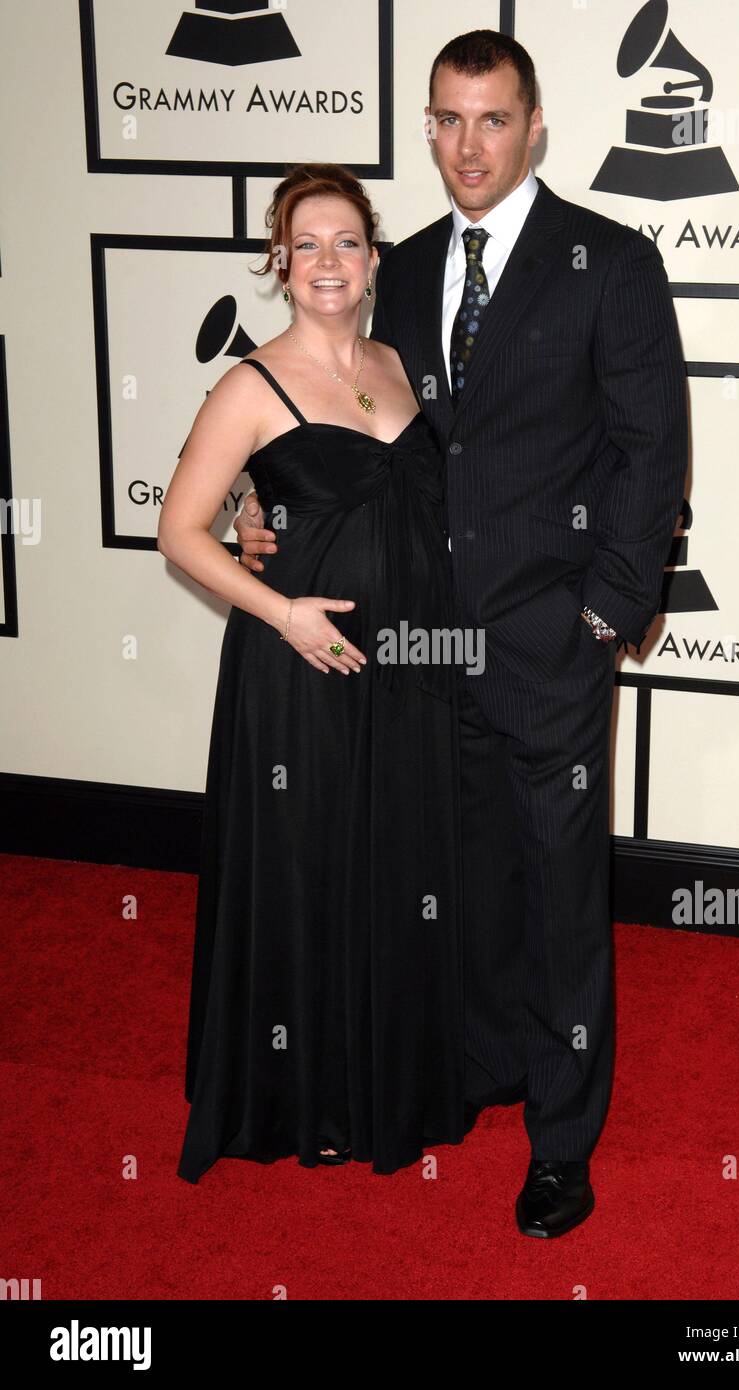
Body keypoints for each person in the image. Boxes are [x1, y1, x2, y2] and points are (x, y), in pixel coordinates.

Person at [236, 31, 689, 1237]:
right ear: (426, 129)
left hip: (549, 646)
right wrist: (255, 501)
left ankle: (560, 1140)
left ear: (533, 125)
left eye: (493, 120)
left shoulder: (610, 260)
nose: (469, 144)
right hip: (426, 659)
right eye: (447, 119)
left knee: (555, 899)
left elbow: (652, 457)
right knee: (466, 886)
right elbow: (361, 427)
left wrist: (603, 613)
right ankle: (482, 1066)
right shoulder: (412, 262)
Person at [159, 163, 468, 1183]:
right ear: (278, 263)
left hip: (406, 676)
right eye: (306, 244)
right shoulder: (251, 382)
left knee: (390, 870)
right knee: (307, 871)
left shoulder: (394, 363)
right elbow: (179, 532)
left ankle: (390, 1079)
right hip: (301, 672)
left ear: (373, 260)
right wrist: (283, 611)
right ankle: (308, 1096)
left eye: (346, 242)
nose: (327, 261)